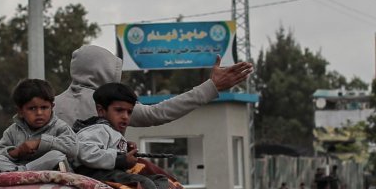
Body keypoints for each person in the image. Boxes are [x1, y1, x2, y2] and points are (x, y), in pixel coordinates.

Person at [71, 81, 211, 189]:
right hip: (96, 175)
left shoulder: (112, 132)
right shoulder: (95, 129)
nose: (125, 117)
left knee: (160, 180)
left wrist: (124, 151)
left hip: (111, 173)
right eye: (119, 110)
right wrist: (120, 160)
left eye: (129, 112)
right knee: (144, 183)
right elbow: (85, 152)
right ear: (101, 110)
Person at [53, 44, 252, 129]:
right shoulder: (109, 103)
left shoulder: (51, 105)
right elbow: (157, 114)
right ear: (104, 71)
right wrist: (211, 87)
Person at [0, 78, 77, 174]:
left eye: (44, 107)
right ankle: (21, 173)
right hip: (16, 167)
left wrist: (40, 143)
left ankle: (21, 173)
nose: (39, 113)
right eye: (32, 108)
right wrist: (16, 152)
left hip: (44, 169)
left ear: (52, 107)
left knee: (57, 156)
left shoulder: (60, 126)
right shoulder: (13, 131)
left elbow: (73, 148)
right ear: (20, 112)